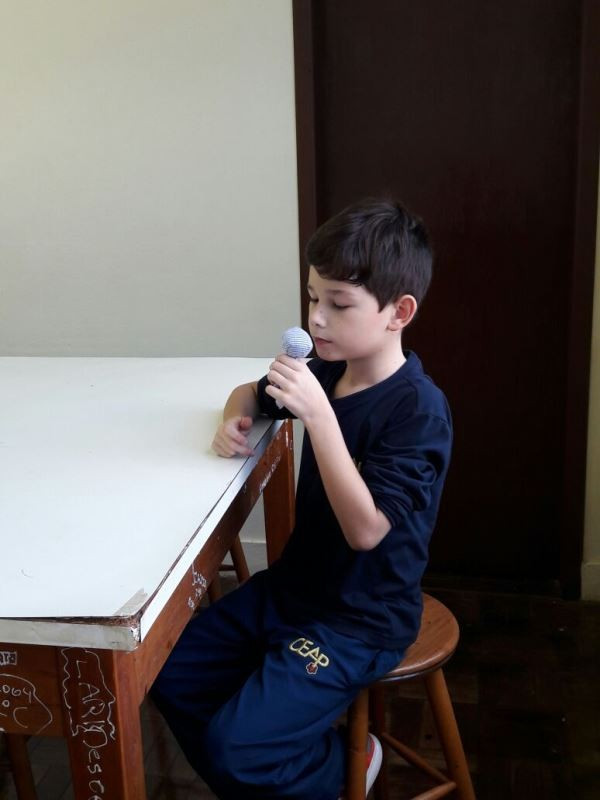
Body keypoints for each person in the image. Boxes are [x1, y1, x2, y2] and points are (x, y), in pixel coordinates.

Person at [150, 198, 453, 800]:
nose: (316, 318)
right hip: (295, 589)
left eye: (339, 304)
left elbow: (367, 530)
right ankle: (271, 773)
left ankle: (343, 767)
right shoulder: (325, 371)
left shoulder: (419, 410)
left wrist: (319, 416)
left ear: (399, 312)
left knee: (236, 749)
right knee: (169, 675)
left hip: (360, 620)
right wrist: (235, 418)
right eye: (313, 297)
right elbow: (249, 392)